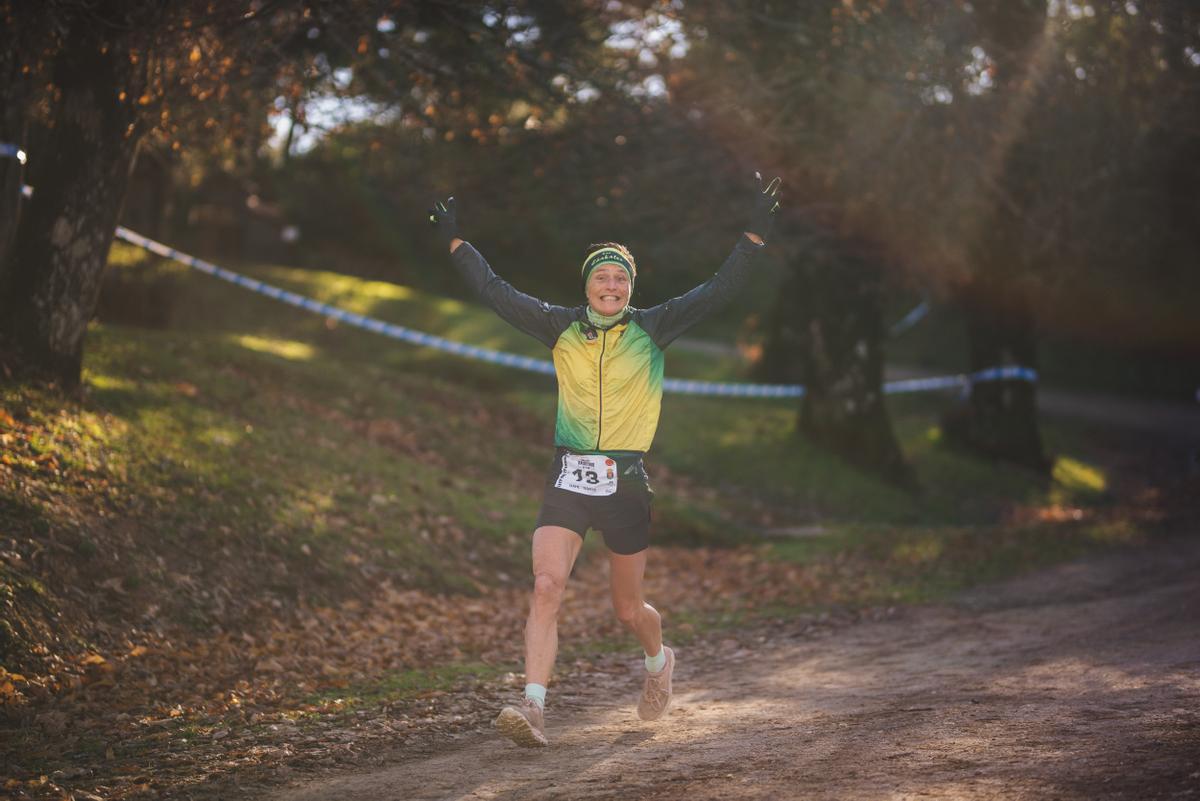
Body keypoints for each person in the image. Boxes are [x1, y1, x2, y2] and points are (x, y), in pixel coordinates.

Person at [427, 172, 781, 747]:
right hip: (568, 476)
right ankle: (534, 708)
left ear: (629, 287)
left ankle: (658, 660)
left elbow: (717, 291)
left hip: (626, 483)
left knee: (627, 609)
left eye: (620, 277)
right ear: (588, 286)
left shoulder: (652, 327)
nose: (610, 285)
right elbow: (495, 292)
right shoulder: (559, 326)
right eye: (601, 277)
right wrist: (455, 242)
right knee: (546, 585)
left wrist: (753, 239)